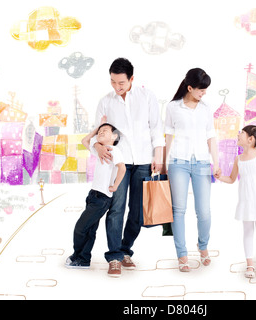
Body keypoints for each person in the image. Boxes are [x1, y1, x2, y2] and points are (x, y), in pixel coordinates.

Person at [90, 58, 165, 277]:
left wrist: (158, 156)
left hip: (143, 161)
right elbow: (96, 133)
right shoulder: (105, 102)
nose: (116, 87)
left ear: (132, 79)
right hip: (118, 162)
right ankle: (113, 256)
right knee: (116, 209)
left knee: (137, 212)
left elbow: (155, 128)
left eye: (121, 82)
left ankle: (125, 250)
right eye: (113, 82)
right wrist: (97, 147)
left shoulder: (147, 96)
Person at [164, 68, 220, 272]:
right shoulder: (172, 107)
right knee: (178, 210)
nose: (204, 93)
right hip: (178, 162)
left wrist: (217, 162)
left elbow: (211, 136)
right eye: (201, 90)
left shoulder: (206, 109)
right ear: (190, 87)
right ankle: (182, 254)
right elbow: (168, 135)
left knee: (204, 211)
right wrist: (163, 162)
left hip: (203, 163)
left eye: (205, 90)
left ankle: (203, 246)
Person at [65, 120, 126, 272]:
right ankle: (83, 259)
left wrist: (115, 185)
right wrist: (95, 131)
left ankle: (78, 255)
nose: (100, 132)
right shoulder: (100, 149)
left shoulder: (114, 150)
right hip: (93, 195)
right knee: (90, 230)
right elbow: (84, 140)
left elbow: (122, 168)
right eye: (99, 131)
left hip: (102, 198)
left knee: (80, 228)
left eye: (105, 130)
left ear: (114, 136)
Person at [214, 125, 256, 279]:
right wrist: (219, 176)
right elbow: (232, 179)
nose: (238, 135)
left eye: (242, 133)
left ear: (250, 139)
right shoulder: (238, 159)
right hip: (245, 201)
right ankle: (250, 264)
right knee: (247, 232)